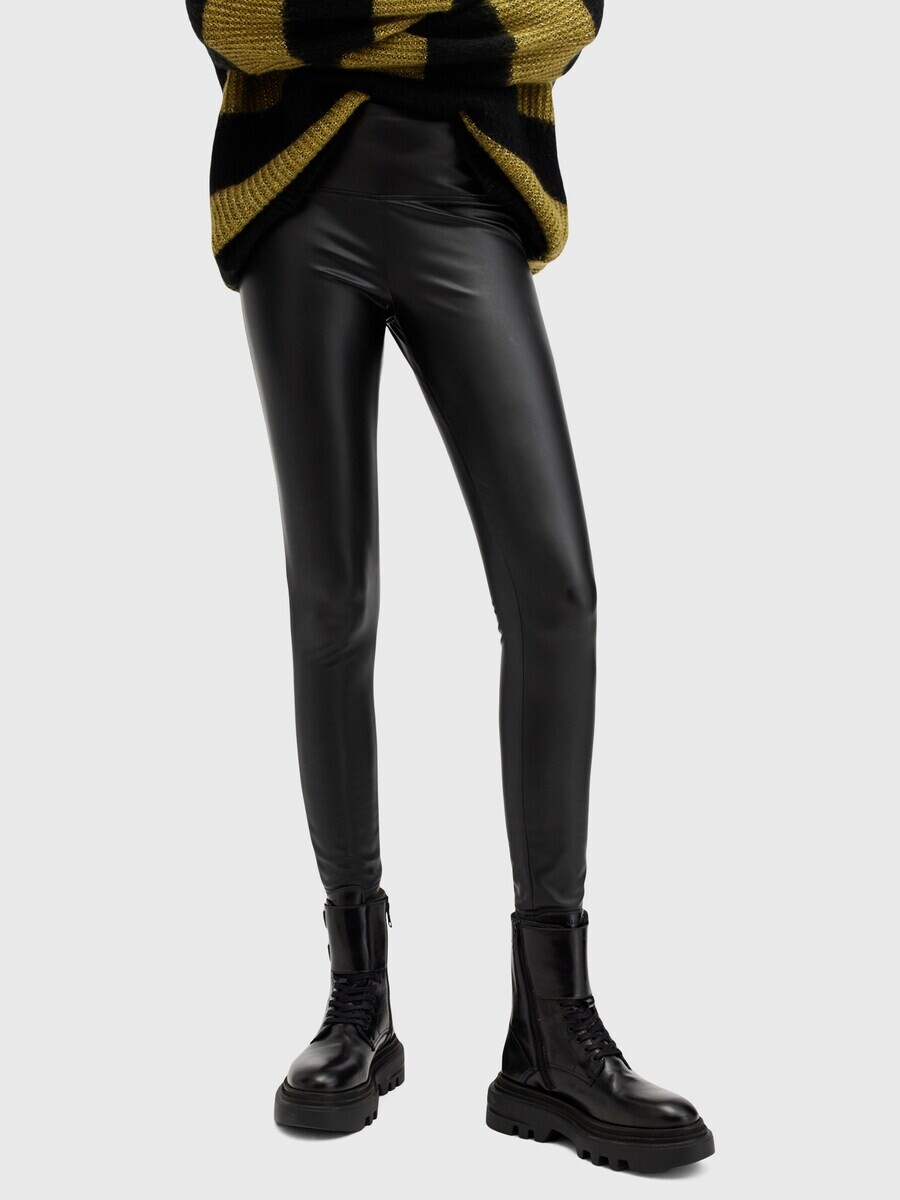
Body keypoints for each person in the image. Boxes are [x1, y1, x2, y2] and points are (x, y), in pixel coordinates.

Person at [185, 3, 714, 1173]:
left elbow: (563, 17)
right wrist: (441, 22)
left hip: (466, 206)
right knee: (332, 605)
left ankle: (551, 1032)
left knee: (556, 594)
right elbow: (230, 18)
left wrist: (347, 26)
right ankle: (358, 1004)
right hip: (300, 207)